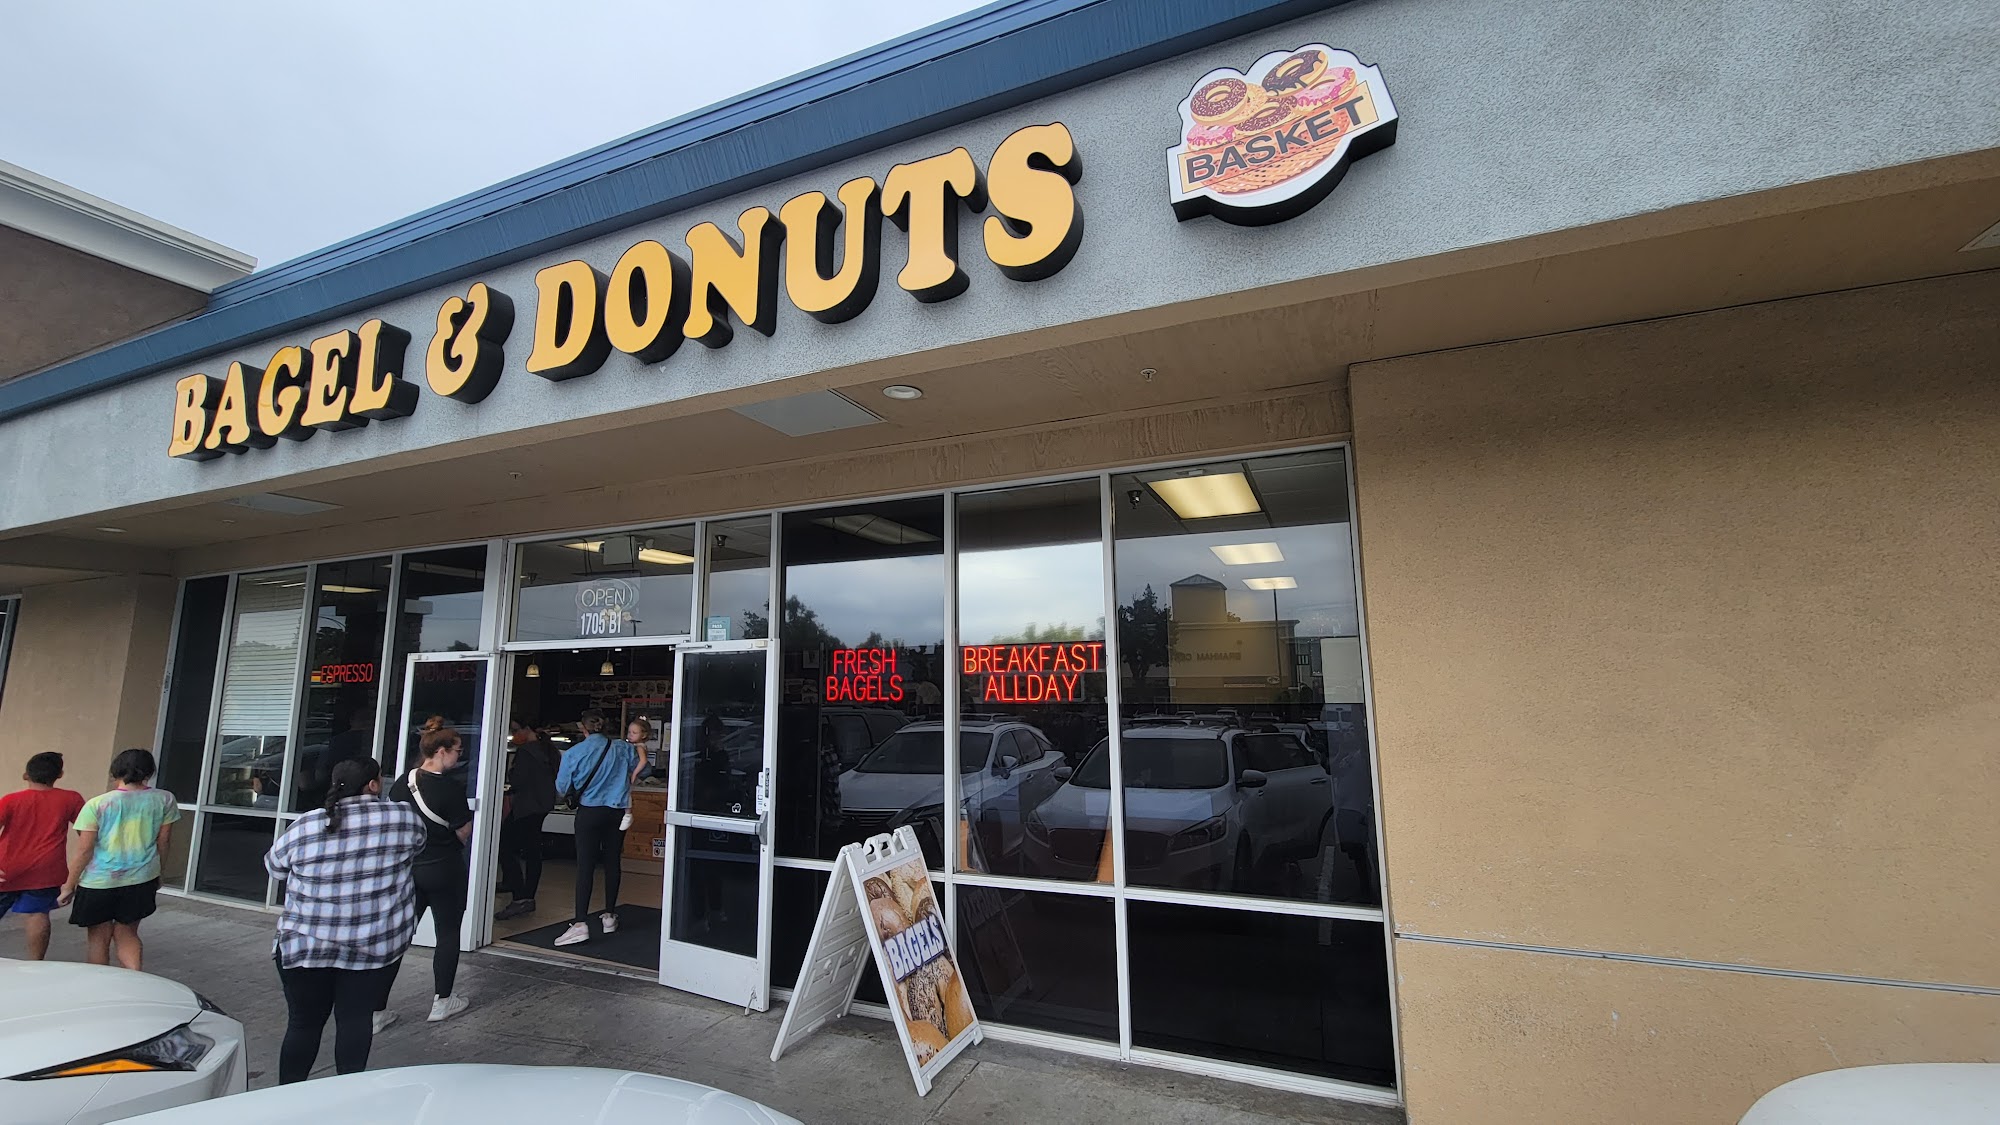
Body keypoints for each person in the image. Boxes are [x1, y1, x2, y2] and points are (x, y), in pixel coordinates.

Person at [265, 757, 425, 1084]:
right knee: (355, 1021)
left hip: (304, 946)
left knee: (302, 1025)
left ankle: (284, 1098)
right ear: (373, 785)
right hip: (372, 947)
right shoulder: (402, 818)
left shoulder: (306, 824)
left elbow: (274, 868)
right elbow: (418, 846)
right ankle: (347, 1096)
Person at [384, 723, 474, 1024]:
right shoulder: (451, 788)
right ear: (441, 751)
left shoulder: (402, 782)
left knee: (399, 937)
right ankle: (442, 1001)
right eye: (457, 751)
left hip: (410, 868)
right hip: (445, 866)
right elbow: (463, 829)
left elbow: (393, 823)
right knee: (447, 933)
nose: (459, 757)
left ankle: (375, 1008)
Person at [59, 749, 179, 970]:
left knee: (98, 938)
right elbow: (164, 841)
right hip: (142, 877)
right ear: (149, 771)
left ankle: (101, 985)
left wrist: (68, 885)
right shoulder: (165, 799)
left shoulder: (97, 804)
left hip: (99, 881)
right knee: (128, 933)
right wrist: (159, 872)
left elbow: (84, 850)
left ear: (116, 770)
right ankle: (134, 979)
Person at [551, 710, 640, 947]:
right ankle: (609, 915)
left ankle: (580, 923)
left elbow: (561, 787)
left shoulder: (573, 753)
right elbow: (640, 768)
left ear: (584, 728)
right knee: (612, 862)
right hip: (617, 812)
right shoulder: (623, 748)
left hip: (589, 812)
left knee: (585, 866)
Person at [0, 752, 86, 960]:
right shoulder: (71, 799)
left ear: (25, 775)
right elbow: (86, 834)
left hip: (7, 867)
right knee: (37, 914)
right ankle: (36, 964)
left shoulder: (10, 801)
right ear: (60, 774)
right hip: (46, 869)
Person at [495, 717, 557, 922]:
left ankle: (519, 895)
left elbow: (517, 780)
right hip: (542, 805)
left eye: (515, 730)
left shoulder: (525, 752)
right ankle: (526, 893)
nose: (514, 735)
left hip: (525, 806)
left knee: (504, 845)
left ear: (527, 729)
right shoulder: (549, 750)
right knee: (532, 852)